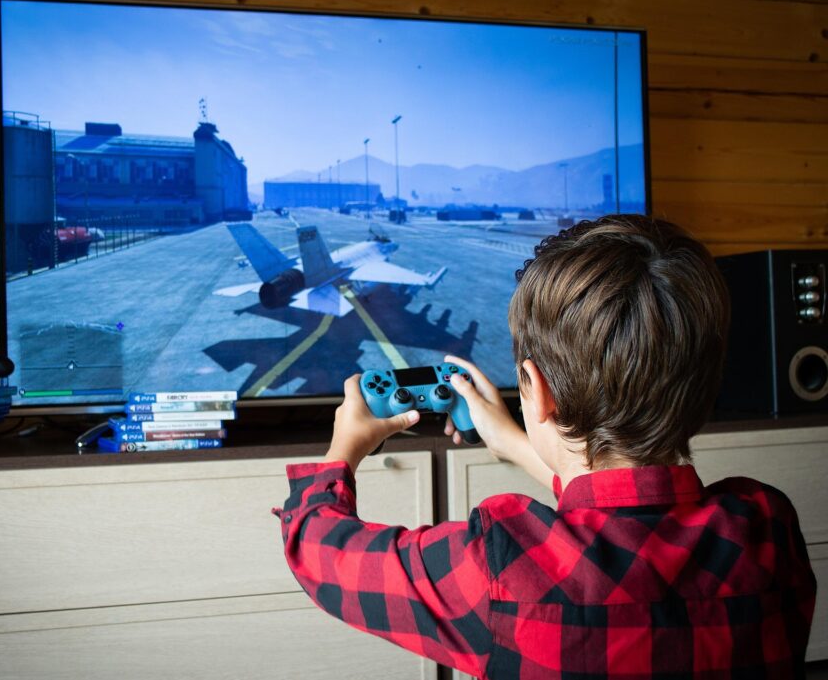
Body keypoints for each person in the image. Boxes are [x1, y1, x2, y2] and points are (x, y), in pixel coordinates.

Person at [275, 215, 816, 678]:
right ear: (707, 386)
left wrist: (343, 448)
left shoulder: (500, 566)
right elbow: (621, 508)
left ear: (537, 389)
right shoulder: (768, 529)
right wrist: (512, 441)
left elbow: (320, 551)